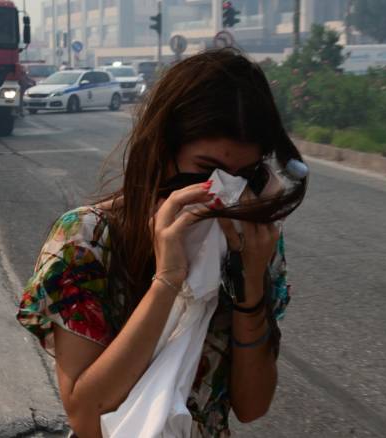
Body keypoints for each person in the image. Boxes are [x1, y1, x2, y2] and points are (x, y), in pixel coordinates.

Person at [16, 48, 308, 438]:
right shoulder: (86, 241)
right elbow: (87, 417)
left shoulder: (253, 242)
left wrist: (250, 281)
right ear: (162, 152)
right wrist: (168, 279)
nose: (226, 192)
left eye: (246, 174)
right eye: (208, 171)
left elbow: (252, 406)